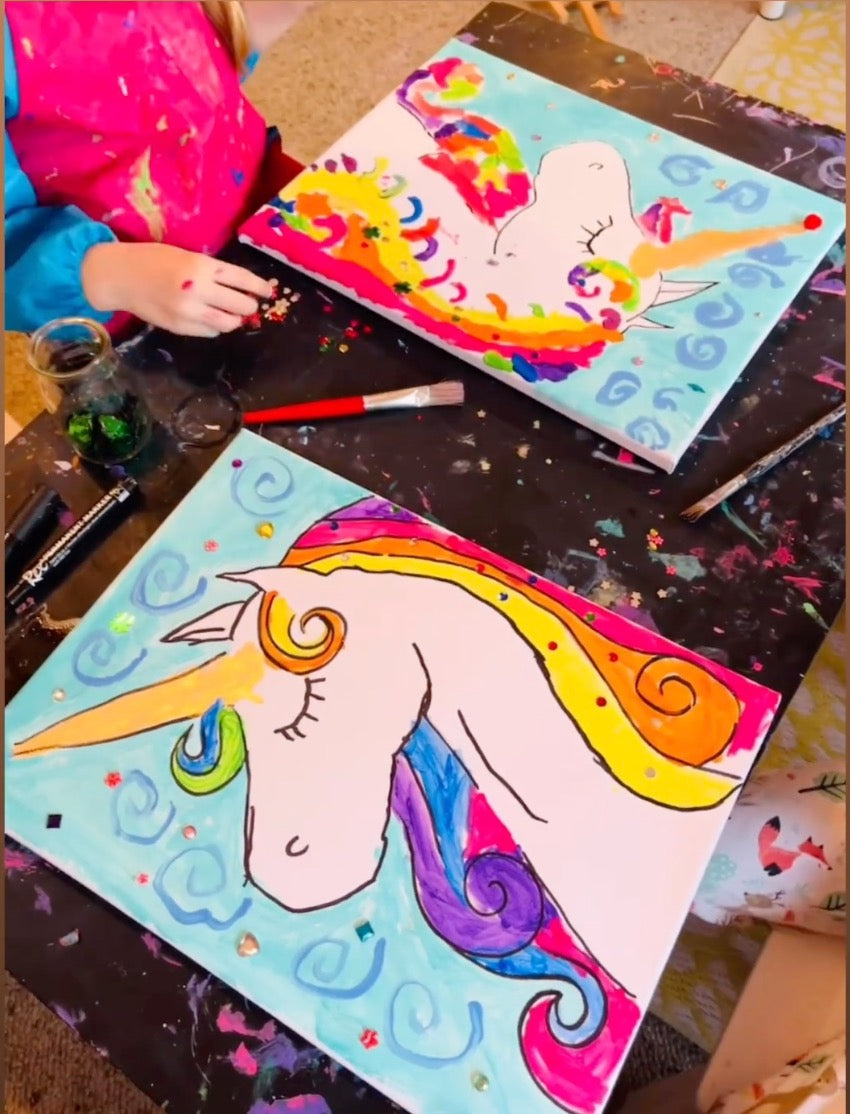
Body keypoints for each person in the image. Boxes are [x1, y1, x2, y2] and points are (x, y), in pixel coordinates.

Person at [4, 1, 312, 339]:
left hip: (255, 203)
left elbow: (188, 55)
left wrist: (257, 18)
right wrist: (120, 276)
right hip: (138, 305)